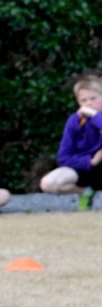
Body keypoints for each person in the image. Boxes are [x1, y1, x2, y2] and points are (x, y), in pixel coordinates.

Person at [39, 74, 102, 211]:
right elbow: (64, 157)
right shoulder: (74, 121)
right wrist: (91, 161)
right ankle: (86, 193)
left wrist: (96, 117)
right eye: (83, 100)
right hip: (85, 169)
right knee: (48, 183)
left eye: (93, 98)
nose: (89, 103)